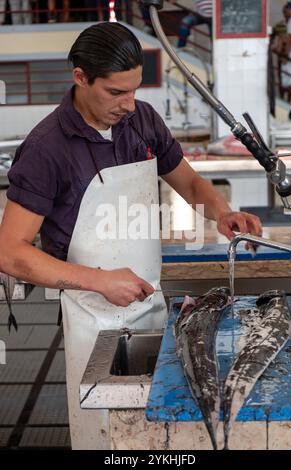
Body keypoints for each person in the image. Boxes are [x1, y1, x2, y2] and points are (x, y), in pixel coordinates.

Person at [0, 22, 262, 449]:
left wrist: (222, 212)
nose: (129, 103)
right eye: (115, 93)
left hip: (148, 301)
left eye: (135, 90)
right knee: (104, 436)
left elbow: (189, 182)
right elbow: (10, 253)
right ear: (80, 77)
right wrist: (99, 280)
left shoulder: (141, 120)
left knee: (158, 431)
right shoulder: (46, 149)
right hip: (92, 316)